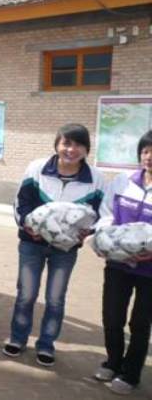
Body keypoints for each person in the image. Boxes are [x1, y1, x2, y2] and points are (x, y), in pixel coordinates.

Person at [3, 124, 105, 366]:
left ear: (87, 149)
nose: (71, 150)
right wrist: (28, 226)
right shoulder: (37, 168)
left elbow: (100, 214)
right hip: (32, 244)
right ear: (57, 145)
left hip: (65, 250)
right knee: (26, 294)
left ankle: (46, 344)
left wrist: (87, 232)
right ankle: (18, 338)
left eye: (78, 145)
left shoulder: (95, 178)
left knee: (55, 298)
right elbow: (21, 202)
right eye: (66, 143)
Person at [92, 130, 152, 395]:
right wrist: (106, 242)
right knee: (112, 316)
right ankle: (113, 362)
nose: (149, 157)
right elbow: (106, 214)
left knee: (140, 323)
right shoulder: (123, 181)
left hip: (150, 270)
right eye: (146, 150)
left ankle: (131, 374)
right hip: (118, 263)